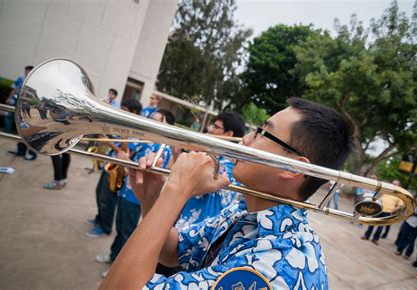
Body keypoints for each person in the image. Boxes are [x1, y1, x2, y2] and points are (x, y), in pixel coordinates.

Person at [99, 97, 353, 289]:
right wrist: (152, 199)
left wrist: (176, 191)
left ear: (293, 168)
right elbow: (175, 250)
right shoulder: (245, 210)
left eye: (263, 132)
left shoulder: (274, 265)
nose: (246, 140)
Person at [95, 109, 174, 278]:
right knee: (120, 225)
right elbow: (130, 158)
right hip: (125, 189)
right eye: (151, 118)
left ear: (166, 124)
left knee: (127, 232)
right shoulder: (143, 140)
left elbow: (148, 172)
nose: (151, 121)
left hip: (137, 196)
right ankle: (112, 256)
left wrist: (126, 160)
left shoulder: (162, 148)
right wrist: (124, 157)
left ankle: (118, 267)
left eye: (157, 120)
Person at [174, 111, 245, 231]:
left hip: (199, 233)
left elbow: (191, 179)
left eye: (216, 127)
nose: (210, 129)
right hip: (185, 226)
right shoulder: (211, 158)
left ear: (228, 134)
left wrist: (196, 149)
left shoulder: (229, 166)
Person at [86, 98, 143, 237]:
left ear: (134, 112)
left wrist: (108, 141)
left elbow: (125, 153)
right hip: (109, 163)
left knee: (107, 199)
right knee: (99, 193)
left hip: (118, 170)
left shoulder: (136, 131)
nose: (120, 112)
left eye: (124, 109)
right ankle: (99, 218)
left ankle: (105, 227)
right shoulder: (123, 124)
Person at [361, 180, 403, 245]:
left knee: (381, 226)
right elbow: (376, 196)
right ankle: (366, 236)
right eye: (393, 183)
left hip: (388, 212)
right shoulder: (385, 190)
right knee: (372, 223)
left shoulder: (399, 194)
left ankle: (375, 239)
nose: (393, 184)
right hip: (378, 209)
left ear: (398, 186)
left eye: (395, 184)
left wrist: (392, 211)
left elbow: (399, 206)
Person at [395, 194, 417, 259]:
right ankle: (399, 250)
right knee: (403, 236)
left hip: (416, 226)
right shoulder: (414, 204)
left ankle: (408, 253)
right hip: (407, 222)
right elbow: (407, 211)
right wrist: (416, 214)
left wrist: (414, 213)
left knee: (410, 240)